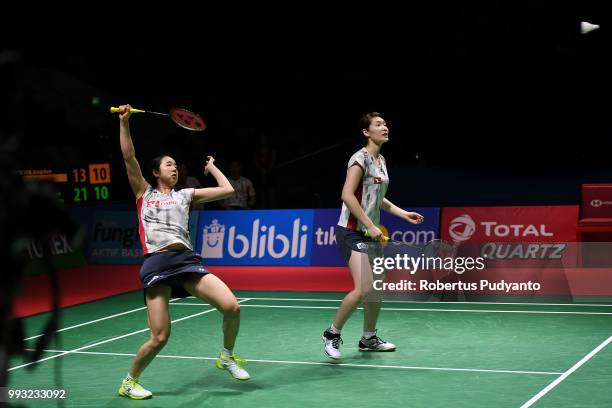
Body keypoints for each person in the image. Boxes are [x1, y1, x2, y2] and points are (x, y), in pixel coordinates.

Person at [116, 104, 250, 400]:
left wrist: (212, 167)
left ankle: (226, 356)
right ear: (155, 172)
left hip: (186, 261)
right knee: (160, 336)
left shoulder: (186, 195)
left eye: (176, 165)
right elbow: (128, 157)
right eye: (168, 165)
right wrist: (124, 122)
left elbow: (227, 190)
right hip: (157, 263)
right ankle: (129, 381)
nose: (174, 168)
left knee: (232, 307)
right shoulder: (144, 193)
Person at [322, 112, 424, 360]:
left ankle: (368, 338)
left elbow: (378, 199)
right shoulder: (359, 159)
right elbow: (347, 194)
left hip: (369, 233)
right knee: (363, 288)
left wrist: (403, 214)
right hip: (351, 232)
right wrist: (370, 225)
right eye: (378, 124)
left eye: (385, 123)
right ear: (366, 132)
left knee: (376, 286)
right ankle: (331, 333)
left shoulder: (381, 161)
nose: (385, 127)